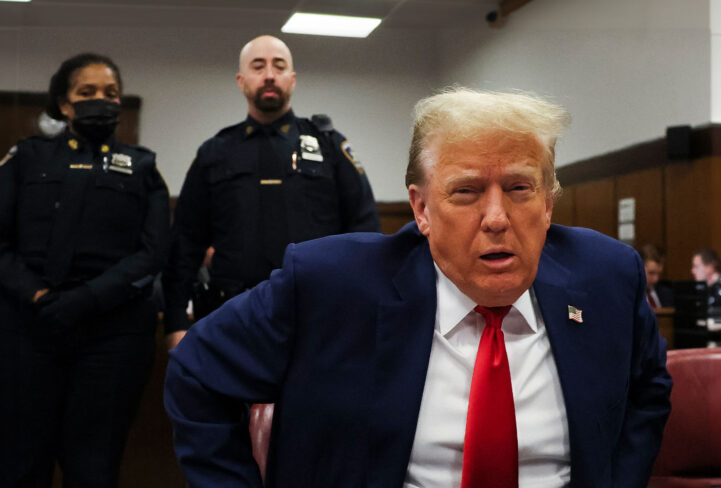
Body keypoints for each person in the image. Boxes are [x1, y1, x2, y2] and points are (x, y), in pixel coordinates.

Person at [164, 87, 672, 488]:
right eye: (466, 192)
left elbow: (648, 390)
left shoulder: (607, 276)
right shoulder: (331, 285)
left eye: (519, 188)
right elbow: (196, 373)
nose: (496, 218)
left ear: (548, 204)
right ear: (422, 208)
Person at [0, 53, 170, 486]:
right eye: (87, 92)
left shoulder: (143, 165)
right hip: (28, 329)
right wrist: (37, 295)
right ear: (64, 104)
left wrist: (86, 300)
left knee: (93, 468)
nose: (102, 101)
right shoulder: (26, 158)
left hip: (111, 337)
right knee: (20, 464)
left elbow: (152, 253)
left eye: (111, 94)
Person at [163, 35, 380, 349]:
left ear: (292, 80)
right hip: (234, 315)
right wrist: (175, 321)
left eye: (279, 67)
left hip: (319, 313)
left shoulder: (328, 145)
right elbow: (186, 242)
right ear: (241, 80)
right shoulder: (215, 152)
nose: (269, 74)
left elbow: (365, 229)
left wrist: (363, 304)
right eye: (258, 66)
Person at [639, 244, 674, 309]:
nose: (656, 279)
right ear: (639, 269)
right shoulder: (632, 296)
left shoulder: (667, 294)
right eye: (651, 273)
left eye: (659, 274)